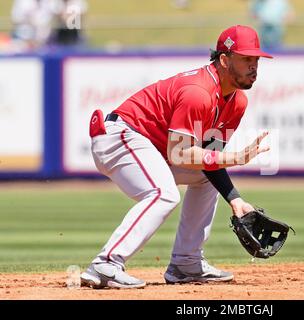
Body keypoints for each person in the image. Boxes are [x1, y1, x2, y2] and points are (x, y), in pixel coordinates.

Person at [80, 25, 273, 289]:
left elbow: (208, 159)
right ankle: (106, 264)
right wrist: (237, 158)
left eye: (256, 59)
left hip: (149, 147)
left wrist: (235, 199)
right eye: (246, 59)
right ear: (225, 60)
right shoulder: (198, 92)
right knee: (164, 192)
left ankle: (186, 264)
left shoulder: (237, 102)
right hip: (120, 136)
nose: (254, 66)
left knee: (205, 179)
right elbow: (180, 153)